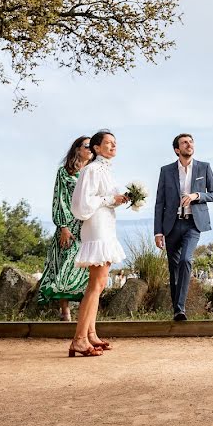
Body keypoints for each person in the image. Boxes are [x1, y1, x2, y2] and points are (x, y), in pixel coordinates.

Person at [68, 130, 128, 356]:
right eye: (109, 143)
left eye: (115, 143)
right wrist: (110, 199)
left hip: (106, 225)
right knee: (96, 284)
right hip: (96, 227)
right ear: (96, 147)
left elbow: (105, 199)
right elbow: (83, 204)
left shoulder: (105, 170)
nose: (114, 146)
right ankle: (79, 339)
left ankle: (91, 334)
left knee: (100, 283)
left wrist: (120, 199)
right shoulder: (91, 169)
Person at [153, 134, 213, 321]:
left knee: (185, 261)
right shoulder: (166, 171)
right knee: (173, 269)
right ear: (177, 149)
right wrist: (158, 231)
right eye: (184, 142)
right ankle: (177, 311)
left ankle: (180, 308)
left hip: (193, 224)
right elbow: (160, 202)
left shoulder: (204, 167)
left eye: (191, 142)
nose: (189, 144)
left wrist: (196, 195)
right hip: (171, 225)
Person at [38, 136, 92, 321]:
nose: (90, 149)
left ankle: (86, 313)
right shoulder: (65, 172)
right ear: (77, 149)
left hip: (89, 226)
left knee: (86, 267)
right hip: (69, 225)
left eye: (93, 146)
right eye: (87, 146)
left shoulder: (93, 172)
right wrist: (63, 226)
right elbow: (59, 199)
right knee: (65, 264)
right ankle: (65, 310)